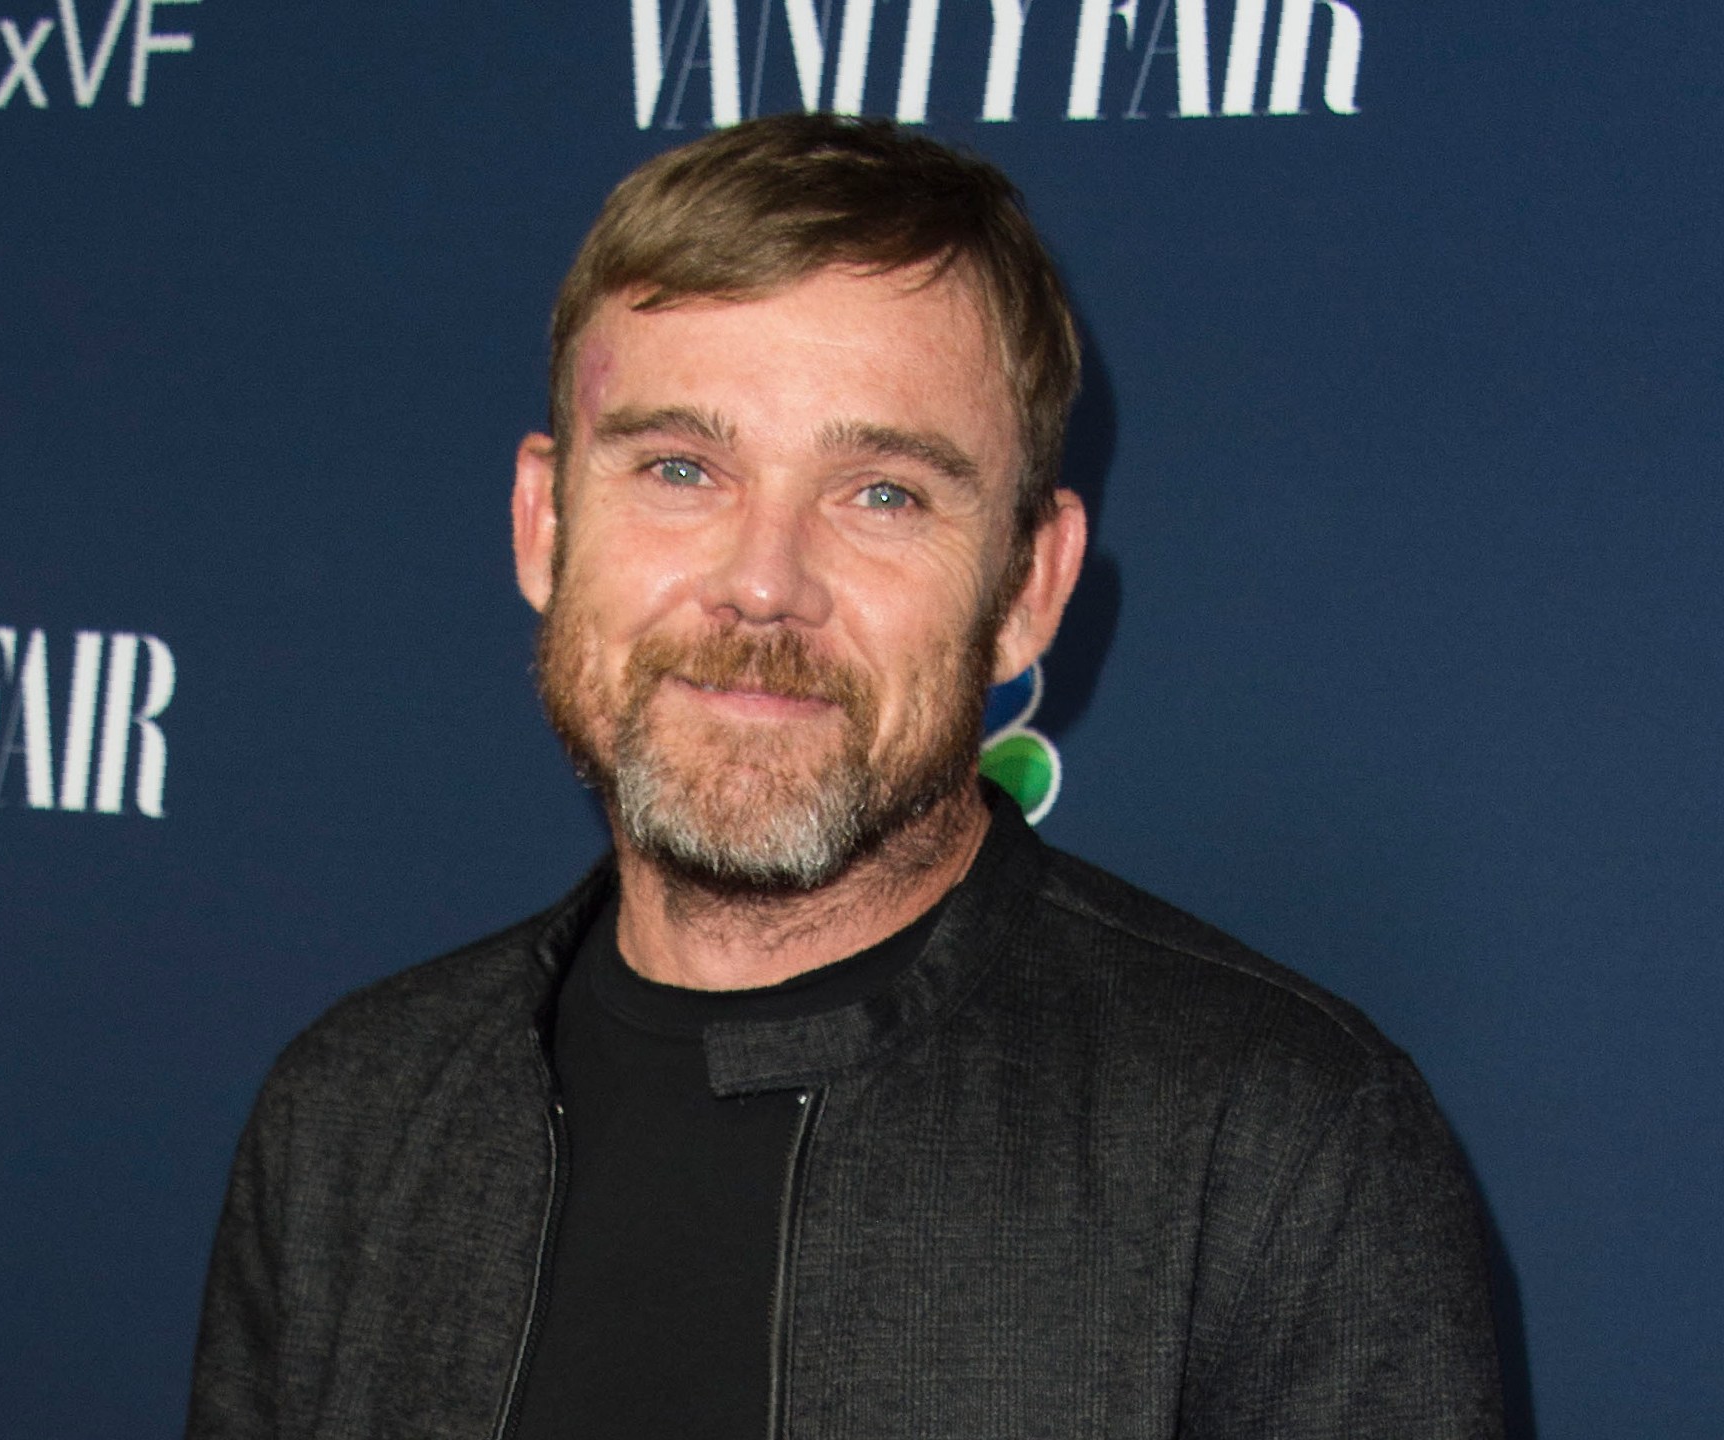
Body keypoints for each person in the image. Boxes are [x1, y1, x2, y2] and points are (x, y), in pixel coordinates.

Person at [185, 114, 1504, 1440]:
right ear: (543, 525)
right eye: (681, 469)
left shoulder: (1277, 1156)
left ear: (1026, 588)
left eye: (880, 493)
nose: (764, 581)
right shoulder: (349, 1120)